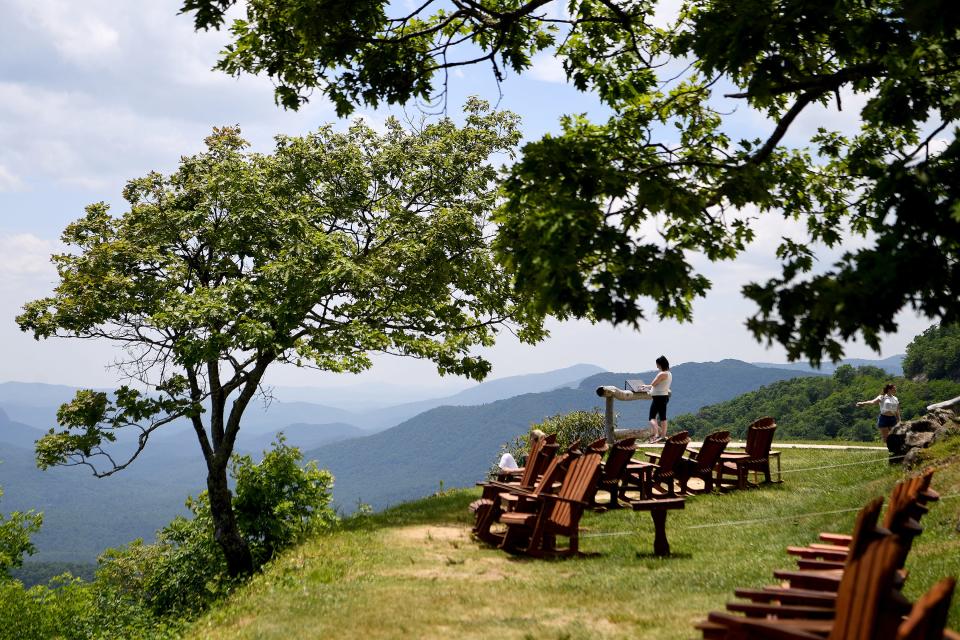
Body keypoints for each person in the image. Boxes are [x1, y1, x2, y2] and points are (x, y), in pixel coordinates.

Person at [645, 355, 672, 443]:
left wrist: (647, 386)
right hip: (662, 396)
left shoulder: (662, 374)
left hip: (659, 398)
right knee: (659, 417)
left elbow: (654, 383)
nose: (656, 366)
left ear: (660, 364)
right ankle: (660, 435)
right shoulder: (669, 373)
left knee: (656, 417)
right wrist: (646, 386)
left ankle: (659, 435)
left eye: (657, 364)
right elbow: (656, 385)